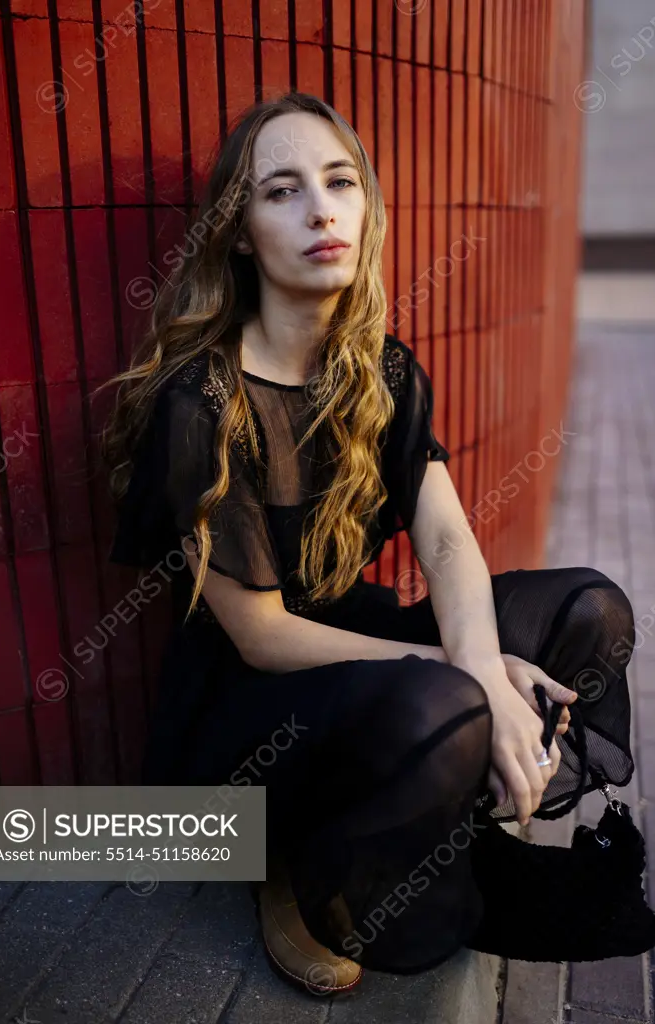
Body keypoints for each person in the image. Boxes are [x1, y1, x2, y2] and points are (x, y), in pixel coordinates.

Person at [99, 92, 635, 996]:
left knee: (590, 611)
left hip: (370, 652)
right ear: (238, 235)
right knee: (448, 702)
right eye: (281, 191)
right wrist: (466, 673)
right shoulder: (200, 403)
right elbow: (263, 637)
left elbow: (451, 542)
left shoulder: (381, 369)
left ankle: (421, 811)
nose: (321, 208)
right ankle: (300, 871)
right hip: (255, 708)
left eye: (340, 181)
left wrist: (480, 657)